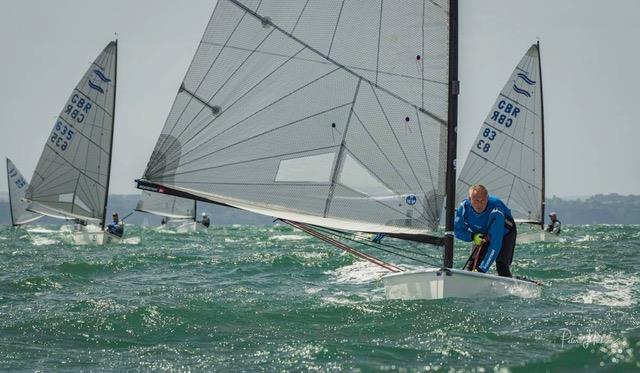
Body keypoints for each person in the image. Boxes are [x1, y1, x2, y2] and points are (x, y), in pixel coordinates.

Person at [454, 184, 517, 277]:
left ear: (487, 198)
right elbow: (457, 231)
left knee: (501, 265)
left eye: (483, 200)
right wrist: (473, 236)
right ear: (469, 199)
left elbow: (495, 245)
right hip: (482, 233)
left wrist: (482, 270)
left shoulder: (496, 211)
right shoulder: (464, 208)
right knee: (471, 267)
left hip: (505, 234)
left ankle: (513, 284)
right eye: (476, 200)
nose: (480, 204)